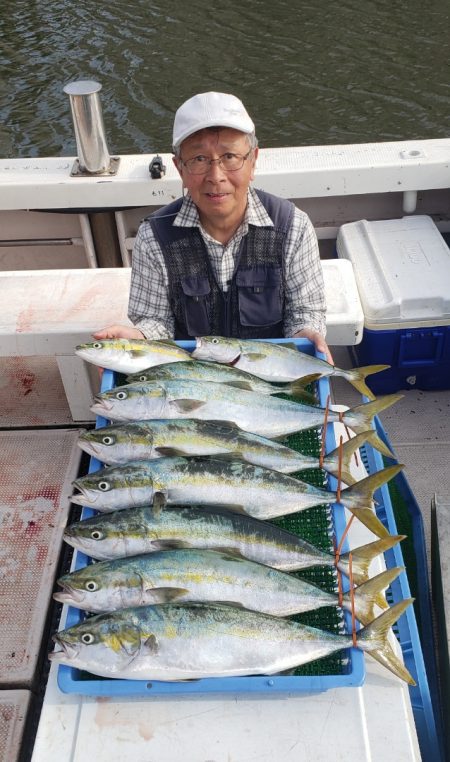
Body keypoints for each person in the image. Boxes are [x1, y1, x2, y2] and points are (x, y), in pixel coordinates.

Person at [94, 91, 332, 363]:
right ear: (179, 168)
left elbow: (304, 312)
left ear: (253, 160)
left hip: (271, 372)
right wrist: (139, 340)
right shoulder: (154, 238)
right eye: (199, 160)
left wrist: (307, 333)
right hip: (195, 379)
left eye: (230, 157)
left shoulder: (293, 227)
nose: (216, 176)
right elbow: (156, 321)